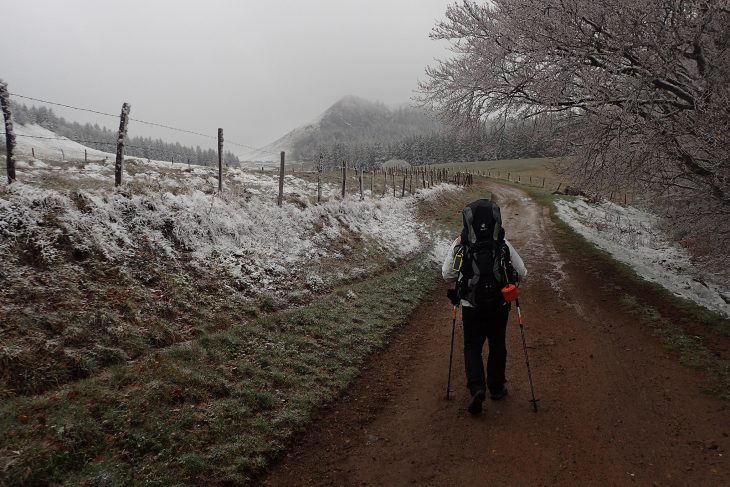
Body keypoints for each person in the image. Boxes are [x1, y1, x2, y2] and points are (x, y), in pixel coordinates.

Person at [441, 198, 527, 415]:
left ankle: (477, 387)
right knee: (497, 344)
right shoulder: (502, 243)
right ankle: (496, 388)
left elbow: (447, 274)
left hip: (471, 305)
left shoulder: (461, 244)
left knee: (472, 346)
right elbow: (523, 272)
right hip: (499, 304)